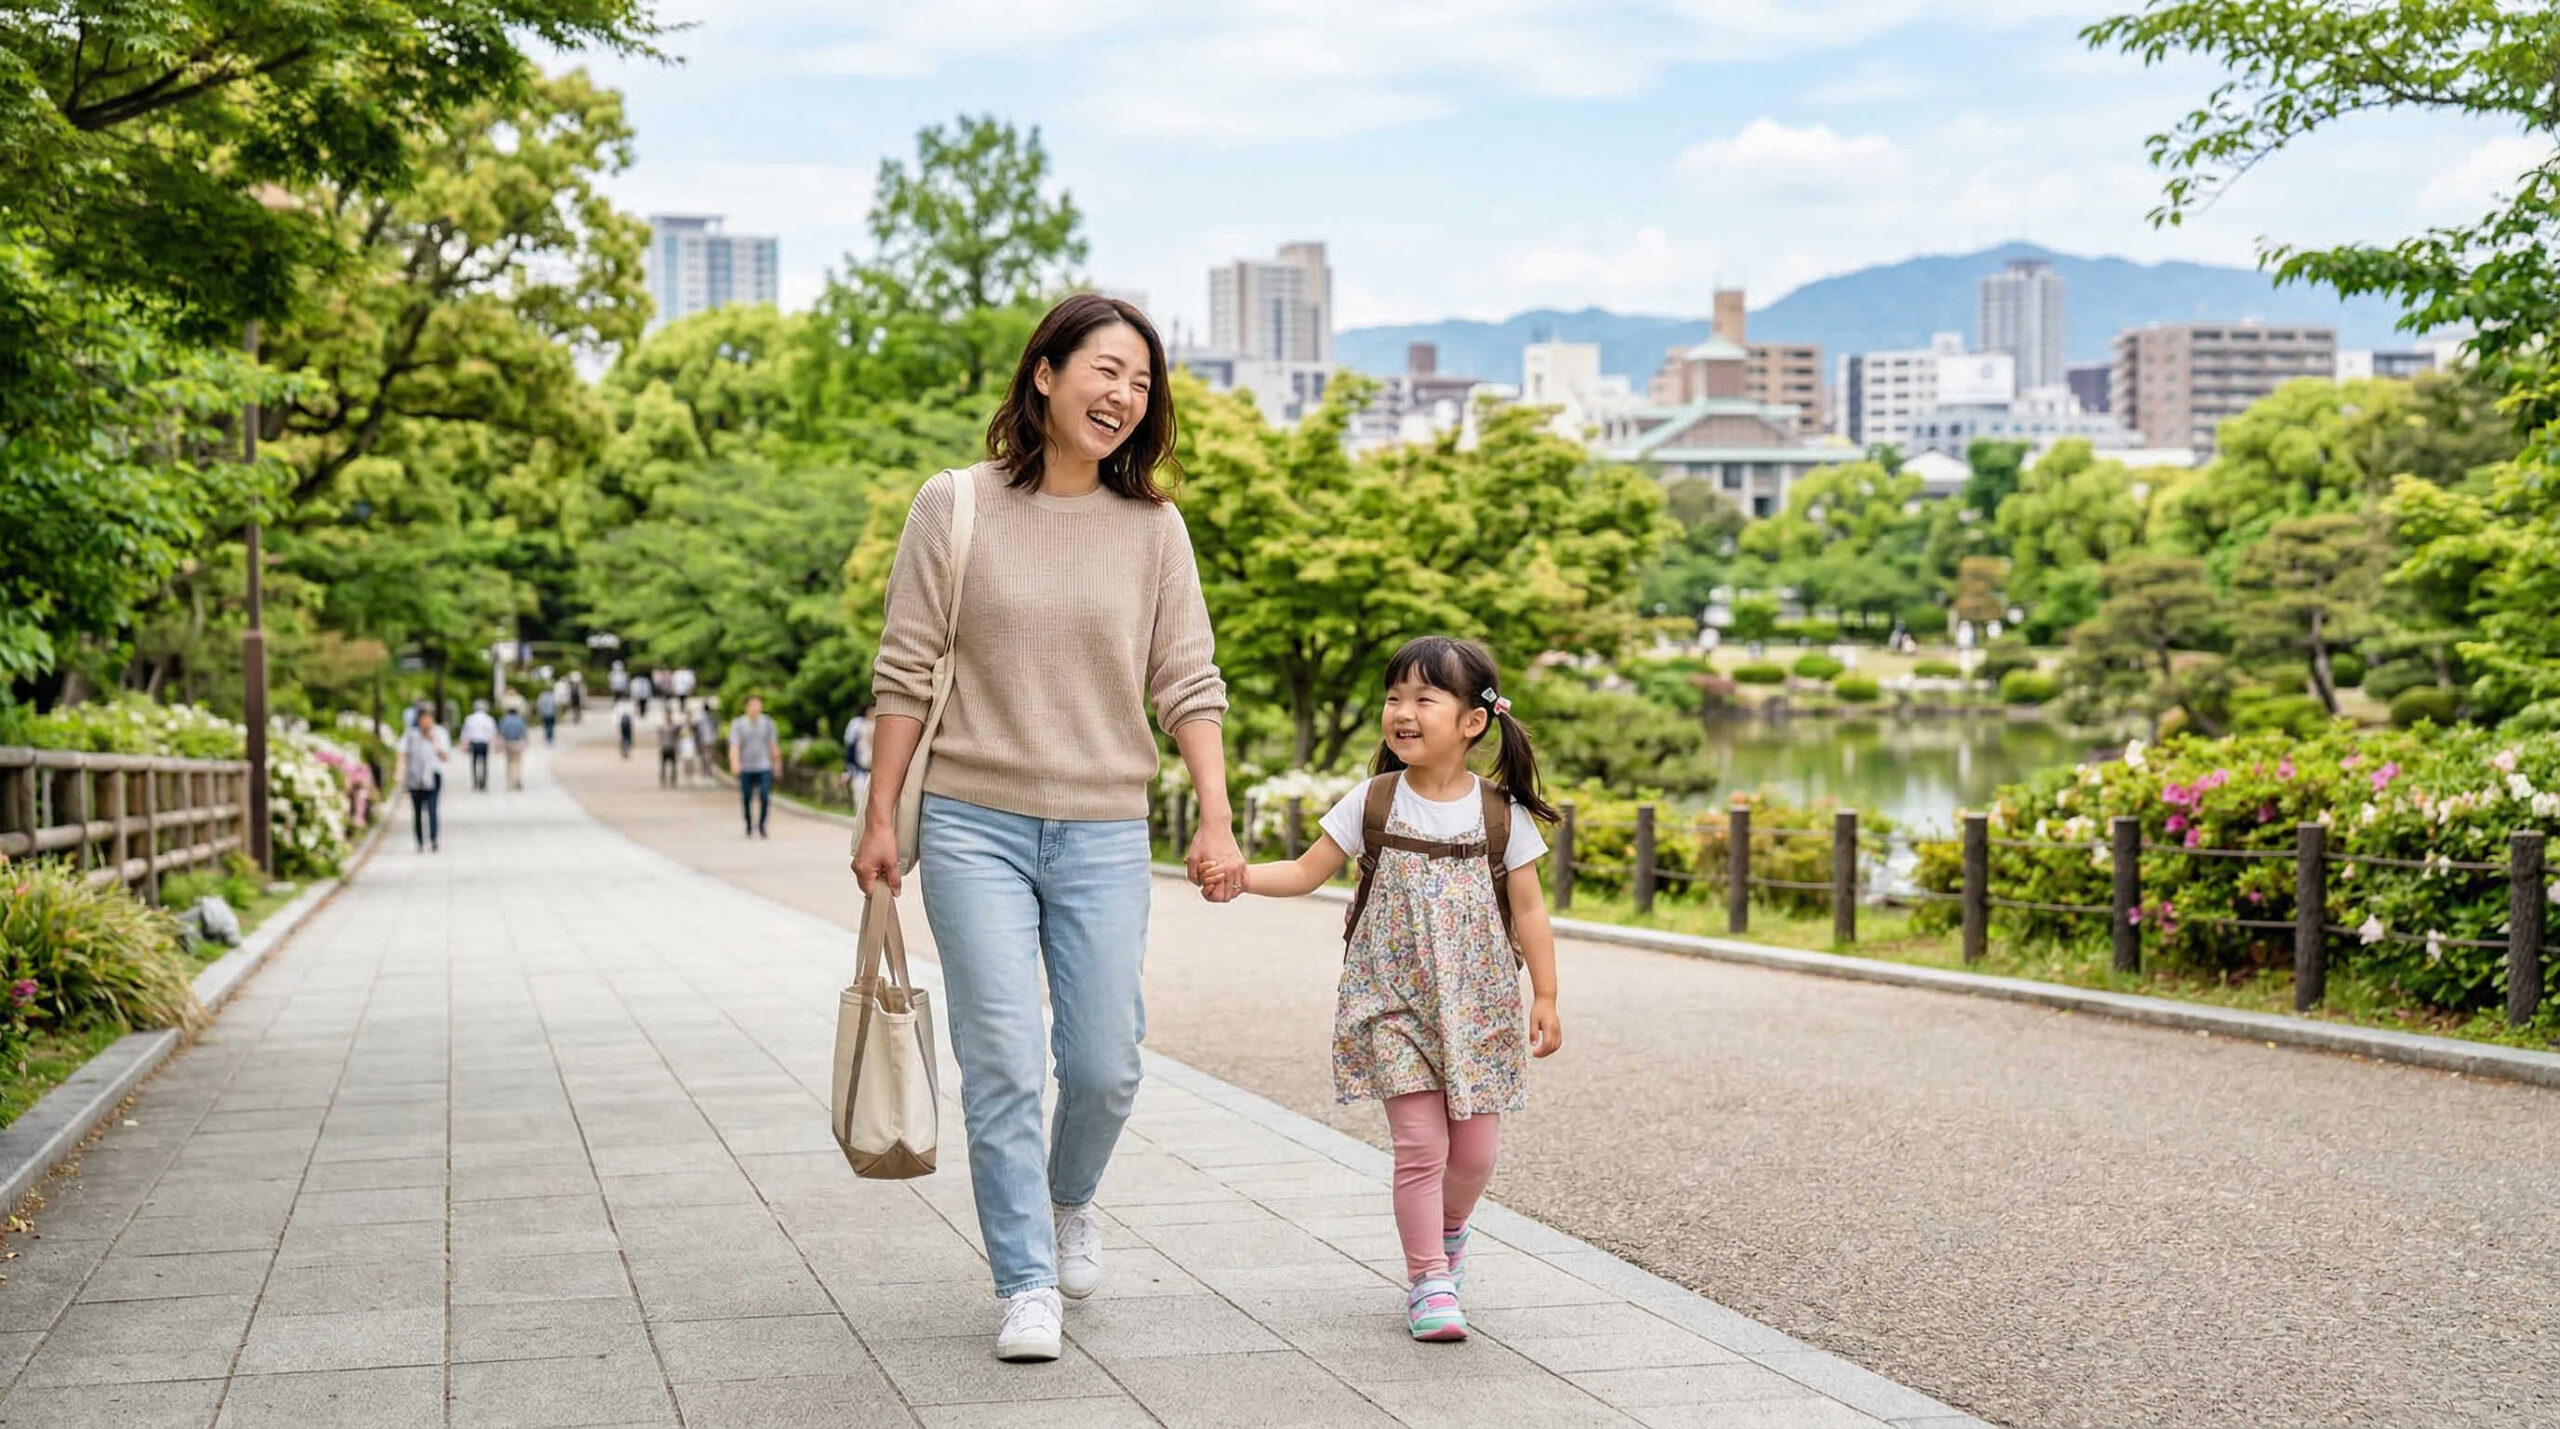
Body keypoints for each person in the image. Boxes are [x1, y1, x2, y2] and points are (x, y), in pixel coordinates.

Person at [852, 294, 1240, 1364]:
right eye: (1105, 371)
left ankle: (1071, 1197)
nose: (1123, 395)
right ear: (1045, 375)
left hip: (1107, 826)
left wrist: (1211, 816)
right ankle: (1025, 1280)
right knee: (1006, 1061)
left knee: (1107, 1061)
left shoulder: (1154, 529)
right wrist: (881, 816)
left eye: (1142, 382)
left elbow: (1187, 679)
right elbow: (902, 668)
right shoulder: (955, 504)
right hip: (972, 820)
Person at [1196, 636, 1564, 1345]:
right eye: (1394, 697)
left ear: (1472, 721)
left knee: (1476, 1153)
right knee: (1421, 1145)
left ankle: (1450, 1230)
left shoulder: (1500, 815)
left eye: (1424, 698)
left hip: (1480, 1006)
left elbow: (1529, 909)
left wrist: (1544, 996)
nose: (1402, 711)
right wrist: (1240, 874)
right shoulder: (1373, 800)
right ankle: (1428, 1277)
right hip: (1392, 1002)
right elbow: (1307, 871)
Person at [397, 709, 451, 851]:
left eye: (429, 719)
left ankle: (433, 839)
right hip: (414, 776)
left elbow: (445, 756)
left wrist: (435, 742)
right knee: (417, 810)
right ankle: (420, 840)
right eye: (424, 719)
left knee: (433, 808)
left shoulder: (440, 733)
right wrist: (399, 773)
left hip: (433, 775)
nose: (426, 722)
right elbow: (402, 753)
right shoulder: (411, 735)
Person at [729, 695, 779, 837]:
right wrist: (734, 762)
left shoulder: (768, 723)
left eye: (758, 705)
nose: (755, 709)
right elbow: (735, 745)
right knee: (746, 796)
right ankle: (749, 823)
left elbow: (773, 744)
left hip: (764, 765)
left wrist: (777, 762)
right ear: (747, 707)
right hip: (746, 766)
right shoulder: (739, 724)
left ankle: (762, 824)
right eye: (753, 706)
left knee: (764, 794)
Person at [841, 706, 874, 811]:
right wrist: (848, 770)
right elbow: (850, 749)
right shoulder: (857, 726)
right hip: (860, 770)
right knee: (860, 804)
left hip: (875, 771)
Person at [461, 699, 497, 792]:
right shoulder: (489, 719)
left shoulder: (470, 718)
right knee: (484, 763)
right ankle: (483, 783)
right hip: (484, 743)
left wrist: (464, 745)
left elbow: (465, 733)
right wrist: (494, 746)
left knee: (474, 763)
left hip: (474, 743)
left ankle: (475, 782)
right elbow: (493, 734)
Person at [499, 704, 530, 791]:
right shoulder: (520, 720)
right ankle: (517, 779)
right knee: (517, 762)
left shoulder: (504, 720)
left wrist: (500, 745)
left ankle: (510, 781)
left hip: (508, 743)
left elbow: (502, 733)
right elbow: (525, 732)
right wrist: (526, 743)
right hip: (518, 743)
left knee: (509, 763)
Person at [692, 701, 719, 785]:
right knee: (706, 758)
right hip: (706, 740)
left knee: (708, 758)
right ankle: (706, 774)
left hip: (708, 740)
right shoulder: (703, 718)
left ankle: (708, 774)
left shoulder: (708, 717)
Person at [656, 713, 680, 789]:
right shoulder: (662, 727)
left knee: (673, 766)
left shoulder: (674, 727)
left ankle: (673, 780)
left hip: (672, 748)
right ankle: (663, 780)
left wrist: (677, 748)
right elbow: (660, 739)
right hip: (665, 748)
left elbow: (677, 738)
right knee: (663, 766)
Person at [676, 716, 700, 785]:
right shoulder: (682, 728)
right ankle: (686, 776)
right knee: (685, 762)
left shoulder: (693, 728)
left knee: (691, 762)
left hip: (691, 745)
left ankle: (691, 776)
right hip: (685, 745)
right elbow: (680, 737)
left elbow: (695, 737)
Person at [614, 694, 635, 760]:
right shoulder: (630, 704)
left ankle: (624, 751)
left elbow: (616, 715)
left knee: (623, 737)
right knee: (627, 737)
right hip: (627, 722)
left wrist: (615, 724)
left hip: (622, 722)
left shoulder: (619, 704)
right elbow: (632, 714)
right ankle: (626, 750)